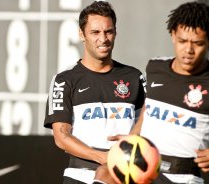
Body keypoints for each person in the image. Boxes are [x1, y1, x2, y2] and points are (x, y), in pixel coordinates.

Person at [94, 1, 209, 184]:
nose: (188, 50)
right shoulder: (155, 68)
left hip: (182, 177)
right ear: (173, 35)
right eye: (183, 41)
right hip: (140, 167)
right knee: (105, 173)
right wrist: (133, 137)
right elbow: (148, 107)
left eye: (198, 43)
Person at [43, 1, 146, 184]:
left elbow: (148, 126)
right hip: (79, 176)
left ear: (115, 33)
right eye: (95, 32)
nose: (103, 39)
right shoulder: (64, 80)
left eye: (109, 31)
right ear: (82, 35)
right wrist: (101, 157)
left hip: (125, 176)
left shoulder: (134, 77)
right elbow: (61, 137)